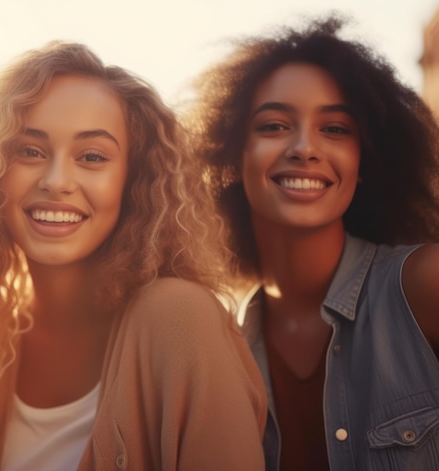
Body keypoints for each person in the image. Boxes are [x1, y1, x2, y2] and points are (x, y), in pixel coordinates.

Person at [0, 41, 267, 470]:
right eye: (30, 151)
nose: (57, 180)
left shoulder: (179, 317)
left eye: (92, 156)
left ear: (133, 180)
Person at [183, 13, 439, 471]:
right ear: (232, 155)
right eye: (275, 125)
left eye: (335, 129)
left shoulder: (424, 286)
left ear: (363, 161)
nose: (305, 147)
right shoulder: (222, 350)